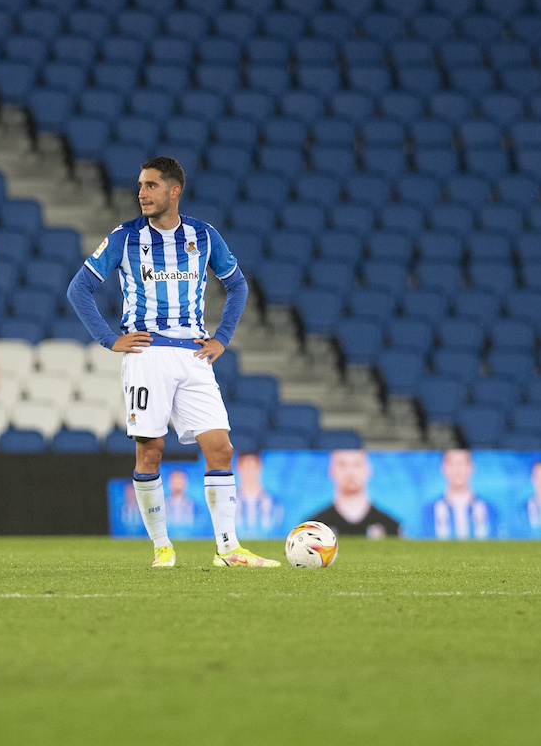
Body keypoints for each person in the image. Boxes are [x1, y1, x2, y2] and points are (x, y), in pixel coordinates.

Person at [66, 156, 279, 568]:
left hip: (195, 355)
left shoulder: (204, 235)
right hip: (148, 354)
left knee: (220, 448)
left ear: (174, 190)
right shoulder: (124, 238)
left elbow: (237, 285)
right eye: (140, 186)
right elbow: (80, 290)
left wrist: (222, 338)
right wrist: (110, 340)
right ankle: (163, 547)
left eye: (150, 186)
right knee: (150, 451)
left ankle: (228, 549)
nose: (141, 193)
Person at [310, 449, 401, 538]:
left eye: (357, 464)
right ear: (331, 470)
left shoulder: (391, 526)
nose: (350, 472)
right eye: (342, 465)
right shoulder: (315, 527)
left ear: (368, 470)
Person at [421, 449, 494, 540]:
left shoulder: (489, 508)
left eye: (461, 464)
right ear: (444, 468)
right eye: (452, 464)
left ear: (471, 467)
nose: (457, 470)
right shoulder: (429, 510)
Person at [235, 452, 283, 538]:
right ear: (238, 468)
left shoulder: (275, 502)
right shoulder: (229, 502)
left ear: (260, 467)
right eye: (245, 466)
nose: (249, 472)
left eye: (253, 466)